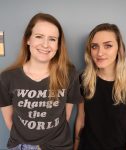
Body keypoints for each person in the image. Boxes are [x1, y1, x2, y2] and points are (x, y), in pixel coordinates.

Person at [0, 13, 82, 150]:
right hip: (21, 146)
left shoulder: (68, 74)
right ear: (28, 39)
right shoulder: (7, 78)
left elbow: (66, 116)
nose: (45, 44)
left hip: (58, 146)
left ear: (58, 44)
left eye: (52, 39)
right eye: (39, 37)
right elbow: (9, 120)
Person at [74, 23, 126, 150]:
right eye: (94, 46)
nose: (100, 53)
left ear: (119, 49)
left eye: (108, 46)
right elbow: (81, 121)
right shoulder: (84, 80)